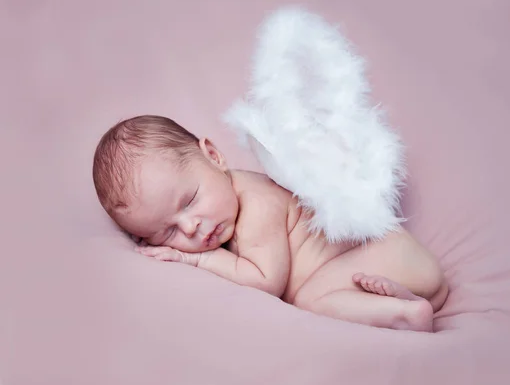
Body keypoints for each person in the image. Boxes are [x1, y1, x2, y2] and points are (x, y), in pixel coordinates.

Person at [92, 115, 448, 331]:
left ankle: (406, 314)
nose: (191, 228)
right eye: (166, 232)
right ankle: (403, 301)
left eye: (190, 201)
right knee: (320, 291)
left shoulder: (257, 204)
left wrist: (196, 259)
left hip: (390, 254)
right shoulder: (223, 207)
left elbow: (266, 281)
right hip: (380, 267)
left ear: (214, 156)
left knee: (310, 299)